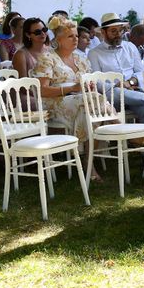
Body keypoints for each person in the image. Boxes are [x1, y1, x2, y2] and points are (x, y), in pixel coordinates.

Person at [32, 16, 112, 182]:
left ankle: (88, 161)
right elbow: (42, 90)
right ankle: (118, 129)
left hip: (82, 101)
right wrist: (71, 88)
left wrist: (87, 88)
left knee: (90, 104)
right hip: (54, 103)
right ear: (59, 40)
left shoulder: (81, 59)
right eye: (70, 36)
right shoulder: (47, 58)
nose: (75, 39)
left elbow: (88, 85)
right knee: (92, 102)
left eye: (76, 35)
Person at [87, 12, 144, 124]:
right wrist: (119, 86)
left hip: (133, 90)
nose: (119, 34)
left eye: (121, 30)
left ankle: (142, 140)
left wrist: (129, 82)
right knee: (118, 92)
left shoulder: (130, 47)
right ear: (103, 32)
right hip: (112, 96)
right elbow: (97, 82)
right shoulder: (94, 53)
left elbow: (141, 72)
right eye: (113, 31)